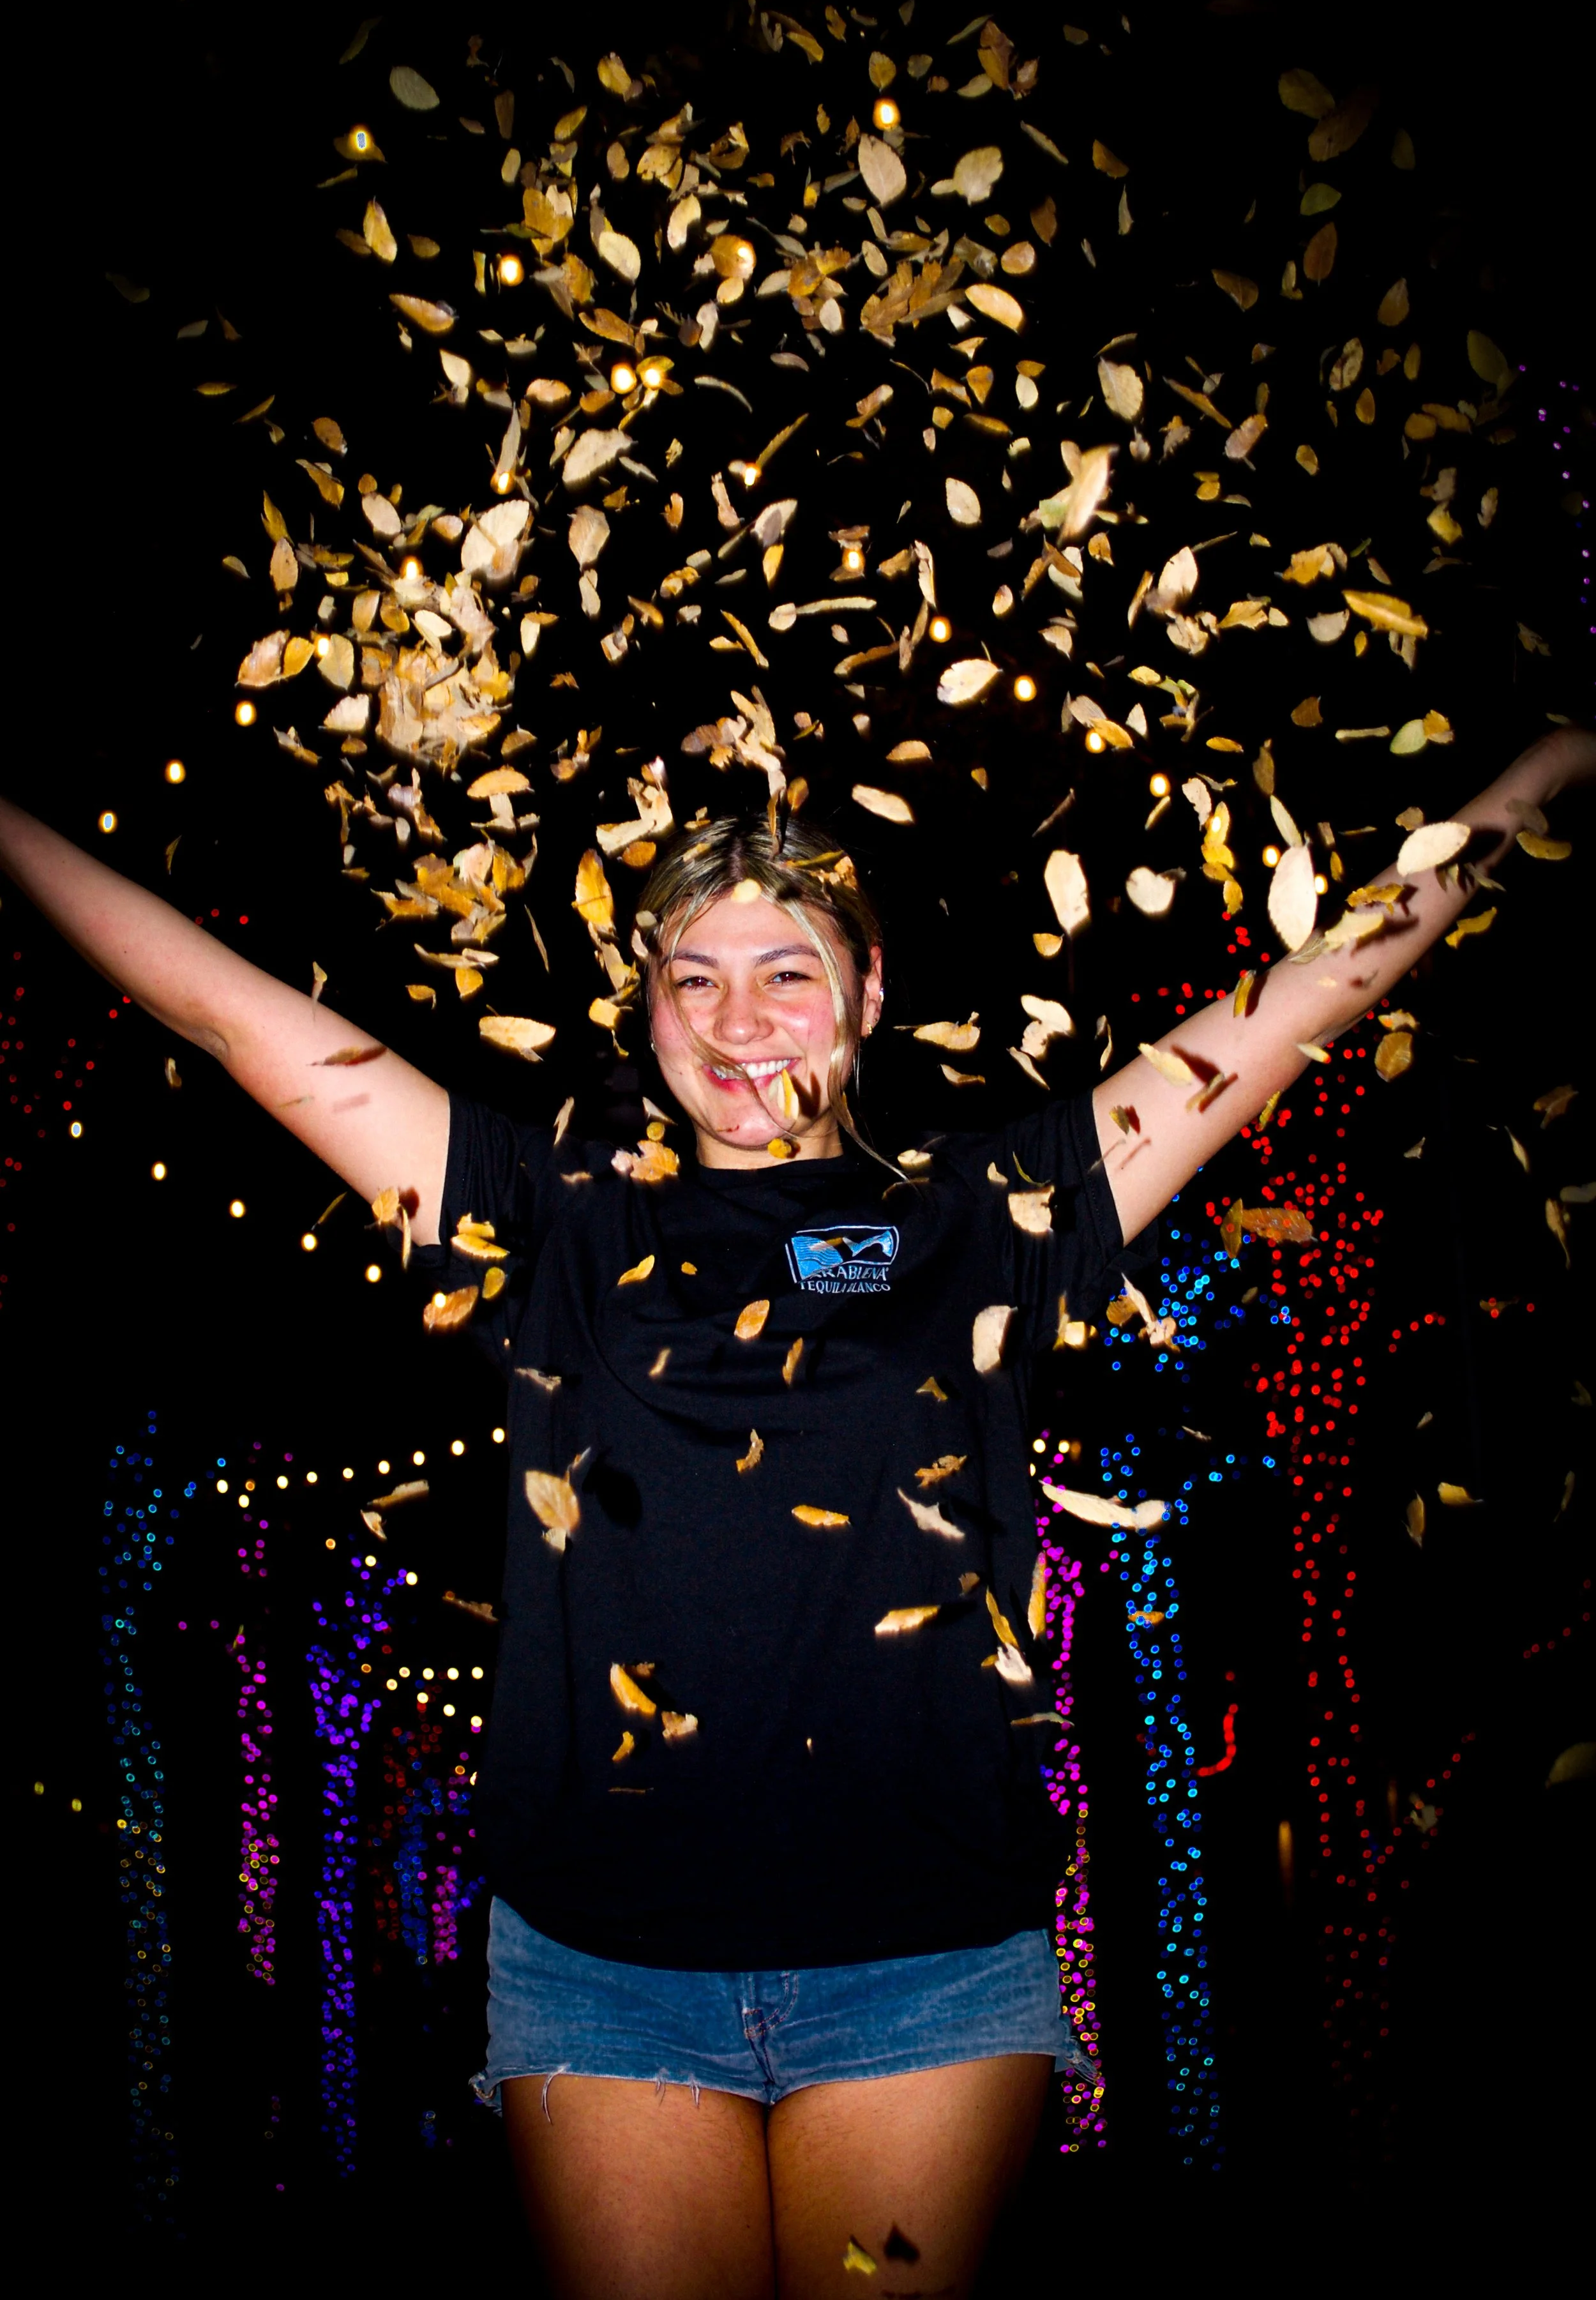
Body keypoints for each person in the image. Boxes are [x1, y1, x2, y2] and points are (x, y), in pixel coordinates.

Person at [2, 724, 1588, 2297]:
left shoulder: (986, 1215)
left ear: (868, 995)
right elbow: (227, 1016)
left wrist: (1530, 784)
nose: (738, 1018)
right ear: (644, 1011)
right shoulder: (549, 1215)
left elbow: (1300, 1008)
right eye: (693, 974)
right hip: (603, 1967)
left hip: (924, 1963)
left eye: (787, 972)